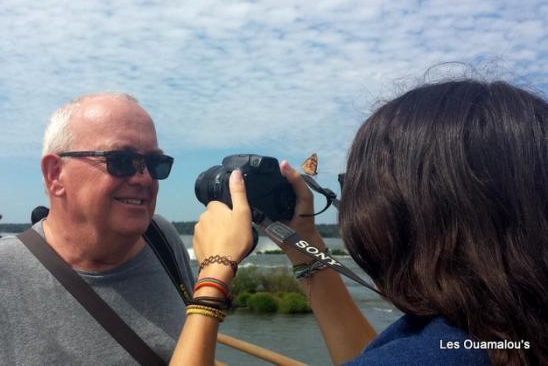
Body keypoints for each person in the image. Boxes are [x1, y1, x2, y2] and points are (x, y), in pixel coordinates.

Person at [170, 79, 548, 366]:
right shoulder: (498, 333)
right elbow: (376, 355)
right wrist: (304, 245)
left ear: (410, 210)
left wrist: (214, 274)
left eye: (352, 184)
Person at [0, 93, 193, 365]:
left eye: (155, 163)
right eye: (121, 161)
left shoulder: (162, 239)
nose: (143, 179)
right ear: (55, 174)